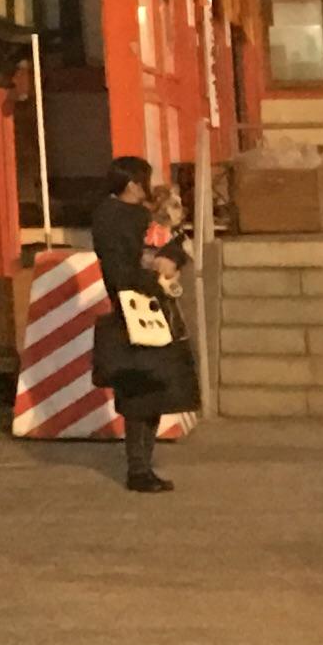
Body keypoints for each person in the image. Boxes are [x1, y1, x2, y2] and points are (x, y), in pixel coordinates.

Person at [86, 155, 197, 496]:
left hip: (151, 310)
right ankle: (138, 469)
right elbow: (121, 272)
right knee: (140, 392)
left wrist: (171, 258)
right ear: (133, 183)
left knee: (151, 390)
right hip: (134, 313)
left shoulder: (139, 215)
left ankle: (143, 465)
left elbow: (178, 243)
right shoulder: (112, 218)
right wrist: (156, 276)